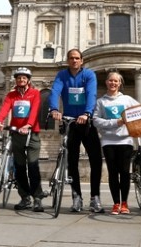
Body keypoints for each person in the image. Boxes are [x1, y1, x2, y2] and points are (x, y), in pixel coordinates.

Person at [48, 48, 103, 213]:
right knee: (72, 161)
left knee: (96, 159)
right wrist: (53, 108)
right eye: (71, 58)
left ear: (82, 60)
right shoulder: (61, 76)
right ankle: (76, 197)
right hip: (70, 121)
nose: (74, 61)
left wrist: (87, 113)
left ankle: (95, 197)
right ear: (67, 60)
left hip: (86, 121)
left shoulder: (89, 75)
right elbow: (55, 91)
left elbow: (92, 94)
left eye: (77, 58)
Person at [0, 67, 44, 212]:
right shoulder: (12, 95)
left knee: (33, 166)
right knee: (20, 168)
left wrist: (28, 125)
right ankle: (25, 198)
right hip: (17, 134)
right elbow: (5, 108)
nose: (21, 80)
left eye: (24, 78)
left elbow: (35, 109)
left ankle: (37, 198)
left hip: (32, 134)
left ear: (28, 80)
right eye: (18, 78)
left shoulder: (35, 93)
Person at [93, 72, 138, 215]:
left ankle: (124, 203)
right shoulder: (101, 102)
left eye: (116, 81)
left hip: (125, 139)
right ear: (106, 82)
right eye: (110, 80)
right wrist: (115, 122)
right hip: (108, 141)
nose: (113, 83)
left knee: (124, 172)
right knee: (113, 173)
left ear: (120, 84)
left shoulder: (127, 99)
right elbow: (95, 120)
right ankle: (115, 203)